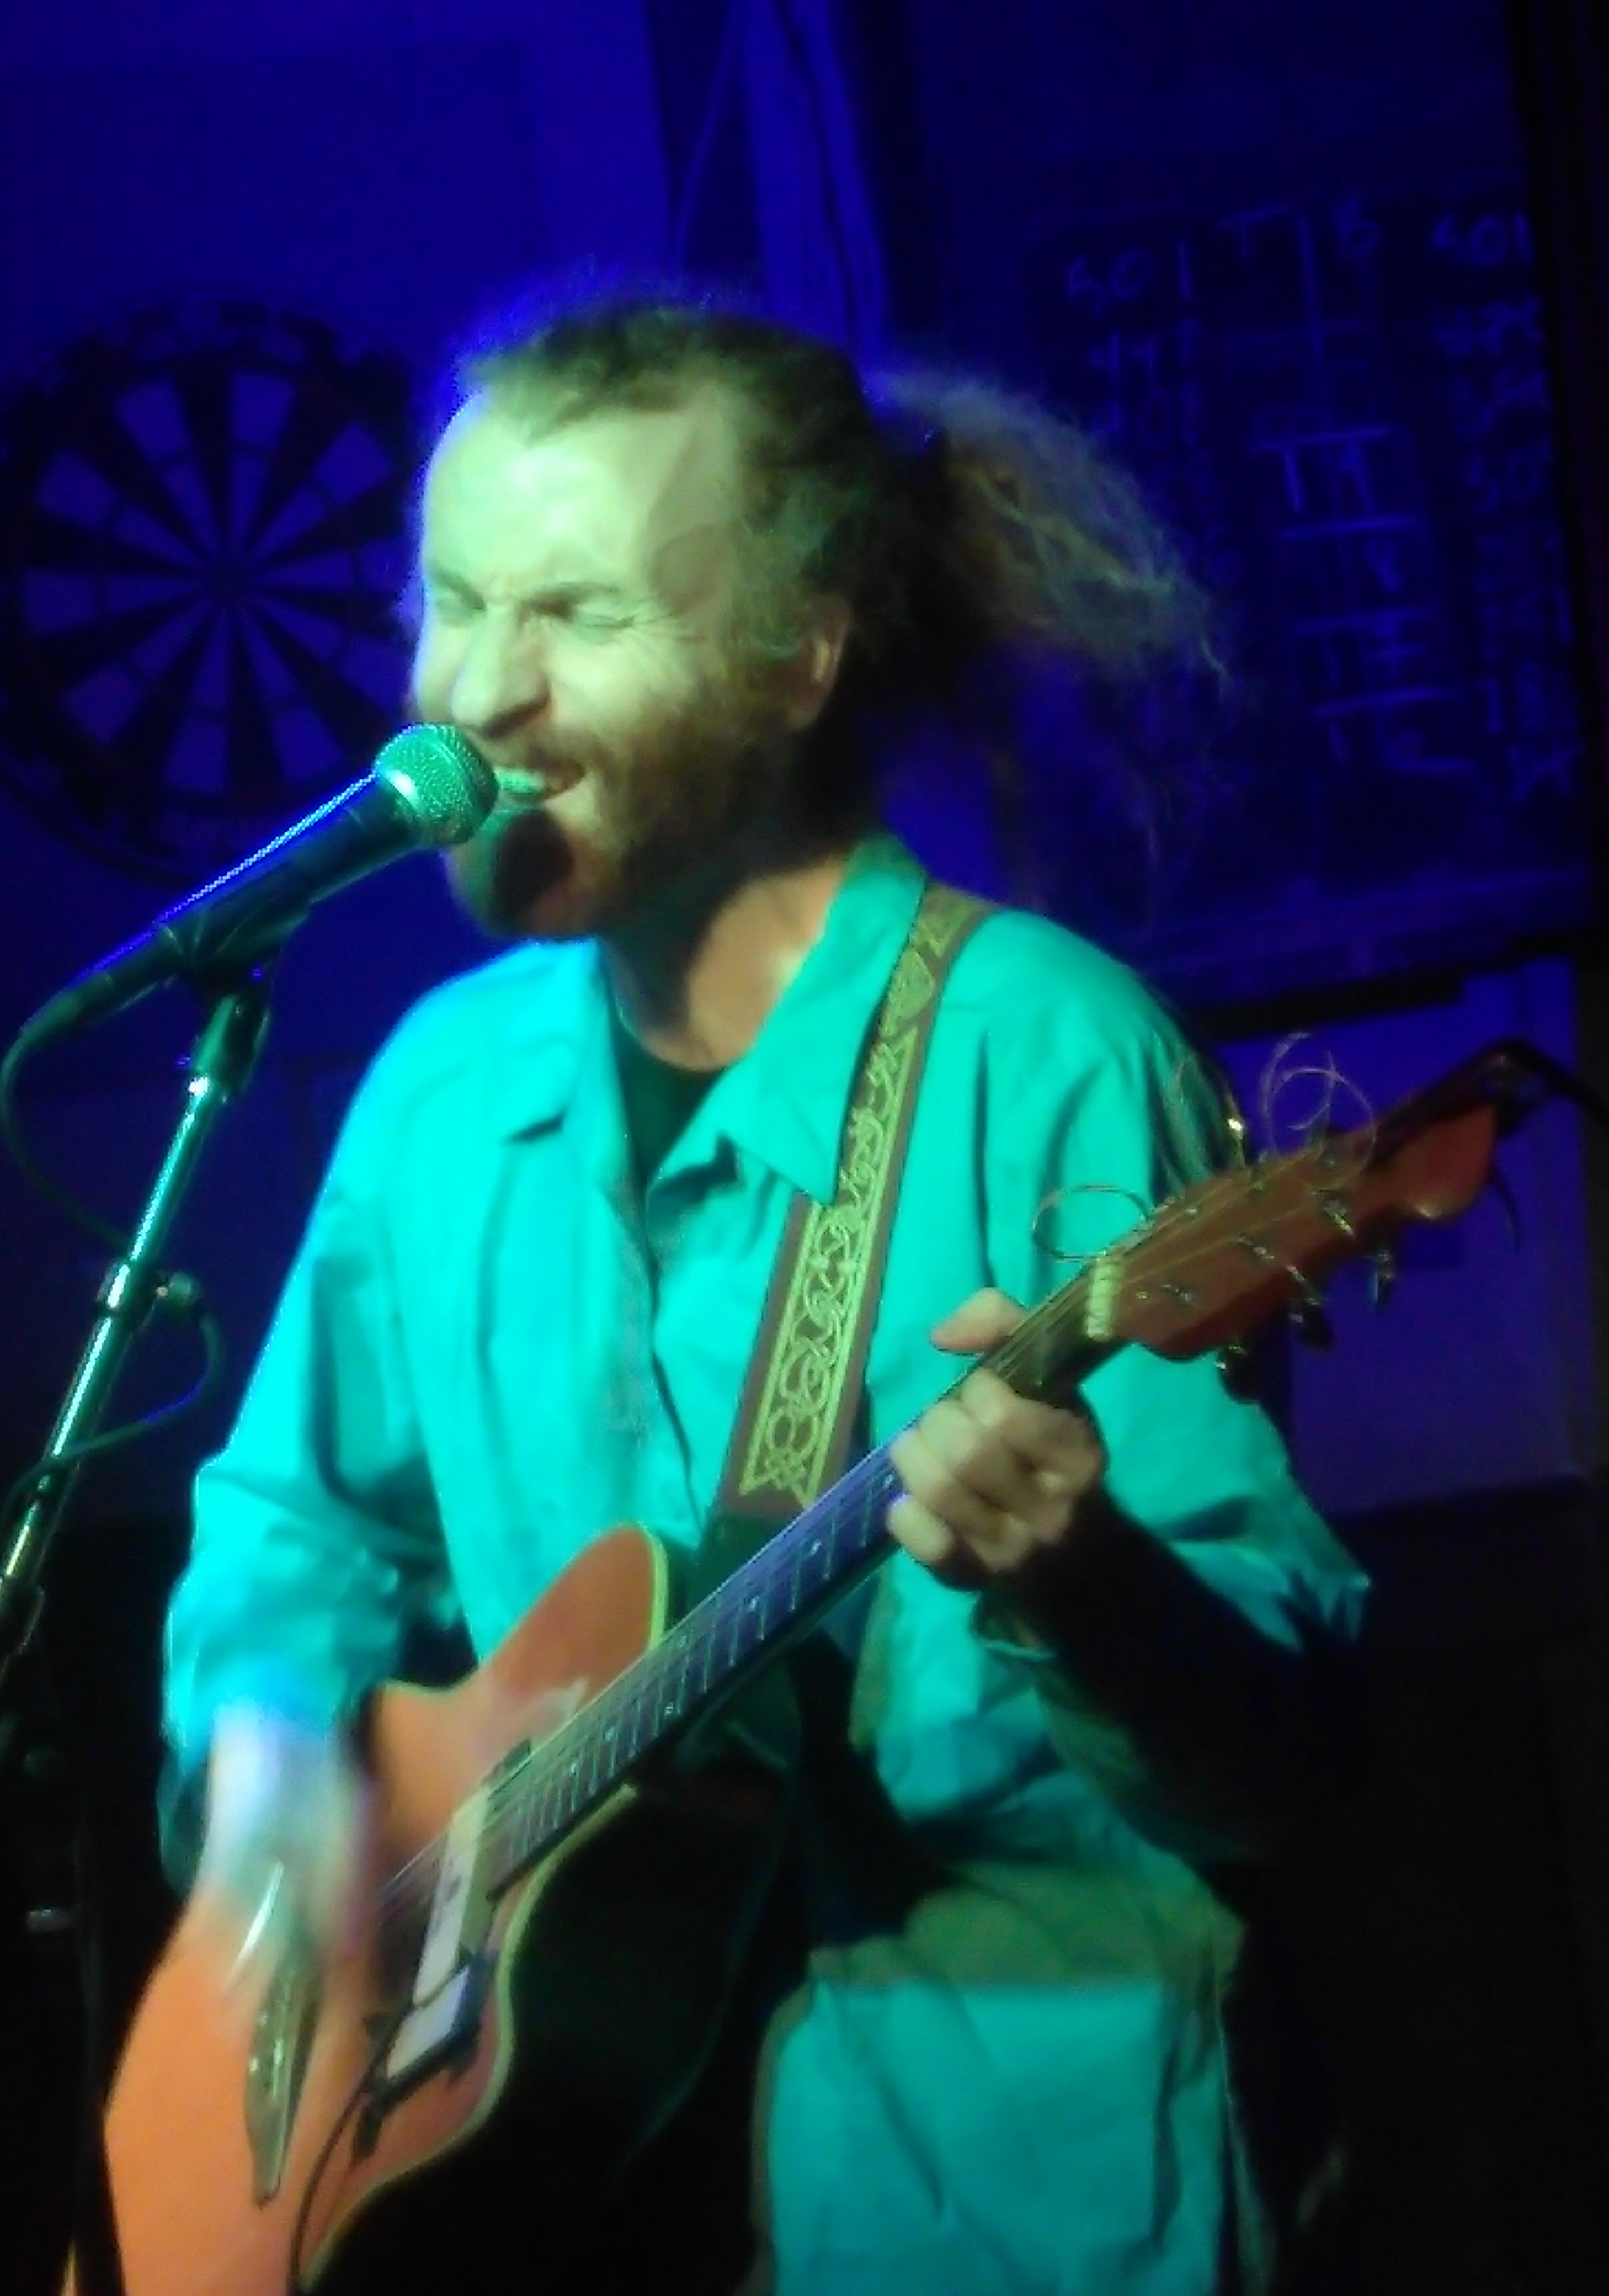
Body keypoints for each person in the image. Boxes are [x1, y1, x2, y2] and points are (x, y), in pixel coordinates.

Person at [159, 291, 1366, 2295]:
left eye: (579, 615)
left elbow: (1283, 1765)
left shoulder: (1043, 1054)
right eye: (453, 602)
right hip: (565, 2205)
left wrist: (1092, 1584)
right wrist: (271, 1767)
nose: (475, 695)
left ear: (797, 658)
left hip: (1008, 2210)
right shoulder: (443, 1093)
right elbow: (294, 1524)